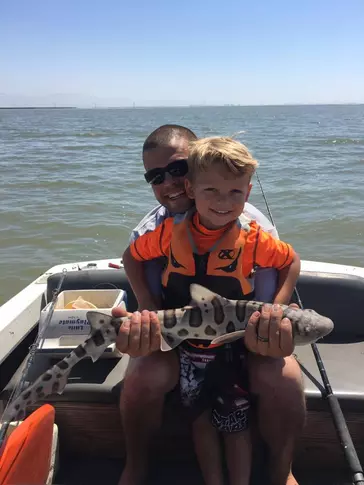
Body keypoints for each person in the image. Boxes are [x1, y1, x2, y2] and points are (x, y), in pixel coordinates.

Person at [114, 125, 306, 485]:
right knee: (143, 375)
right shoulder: (154, 234)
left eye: (178, 168)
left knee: (283, 377)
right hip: (180, 342)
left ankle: (282, 470)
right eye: (156, 176)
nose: (170, 183)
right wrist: (144, 313)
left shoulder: (253, 232)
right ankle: (136, 464)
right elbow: (132, 261)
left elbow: (286, 268)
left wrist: (276, 317)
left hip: (244, 338)